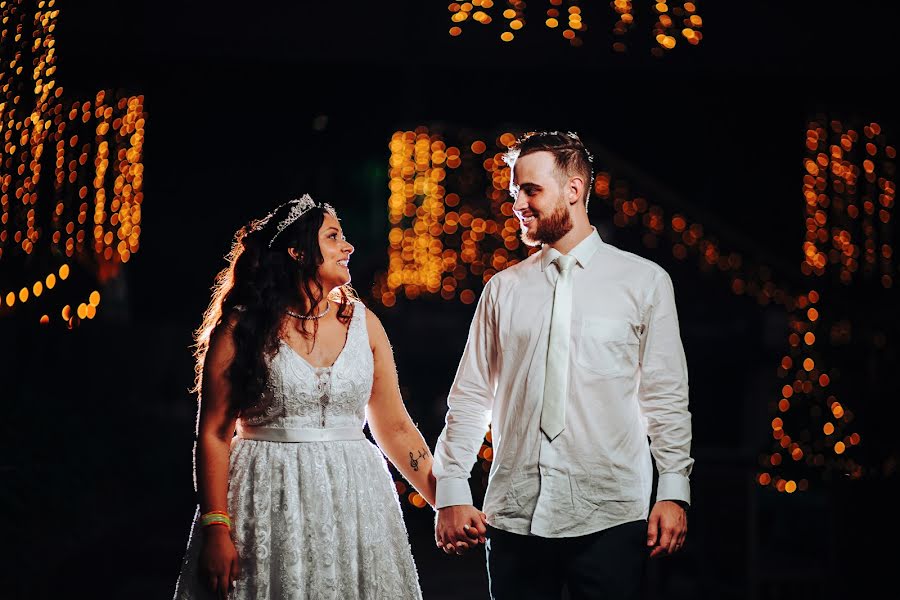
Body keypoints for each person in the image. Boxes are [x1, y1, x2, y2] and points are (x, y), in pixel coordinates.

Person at [432, 131, 694, 599]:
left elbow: (665, 397)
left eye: (531, 190)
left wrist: (673, 490)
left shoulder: (645, 282)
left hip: (612, 513)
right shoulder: (502, 289)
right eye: (515, 193)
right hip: (513, 515)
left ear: (573, 190)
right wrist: (452, 491)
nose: (518, 204)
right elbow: (471, 397)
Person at [173, 195, 434, 599]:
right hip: (268, 501)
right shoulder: (241, 329)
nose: (348, 247)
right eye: (333, 237)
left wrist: (447, 502)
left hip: (355, 504)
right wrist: (216, 528)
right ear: (297, 252)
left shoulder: (365, 325)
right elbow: (213, 434)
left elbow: (395, 427)